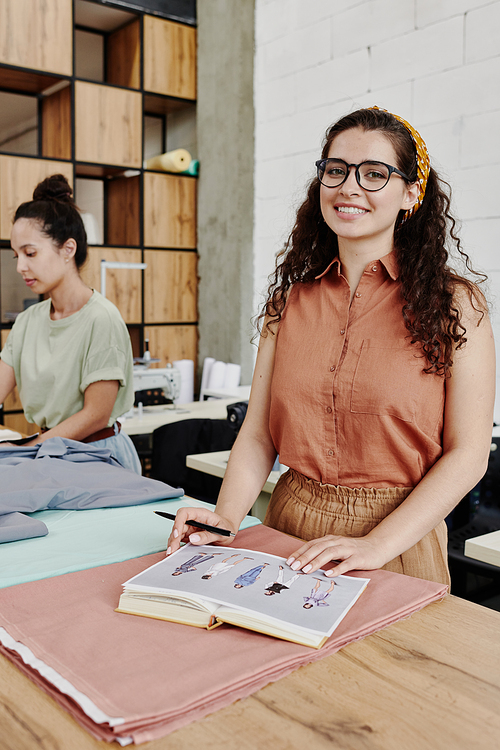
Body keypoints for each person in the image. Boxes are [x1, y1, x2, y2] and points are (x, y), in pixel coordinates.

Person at [167, 107, 495, 586]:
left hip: (397, 537)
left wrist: (375, 545)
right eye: (336, 170)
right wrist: (227, 517)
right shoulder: (289, 304)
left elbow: (468, 453)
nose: (350, 186)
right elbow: (259, 435)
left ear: (411, 193)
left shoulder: (456, 304)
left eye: (375, 173)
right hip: (289, 527)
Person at [0, 174, 141, 473]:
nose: (20, 266)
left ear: (68, 249)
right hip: (50, 453)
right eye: (16, 255)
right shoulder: (26, 323)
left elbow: (95, 416)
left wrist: (27, 449)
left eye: (30, 253)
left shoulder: (101, 319)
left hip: (98, 457)